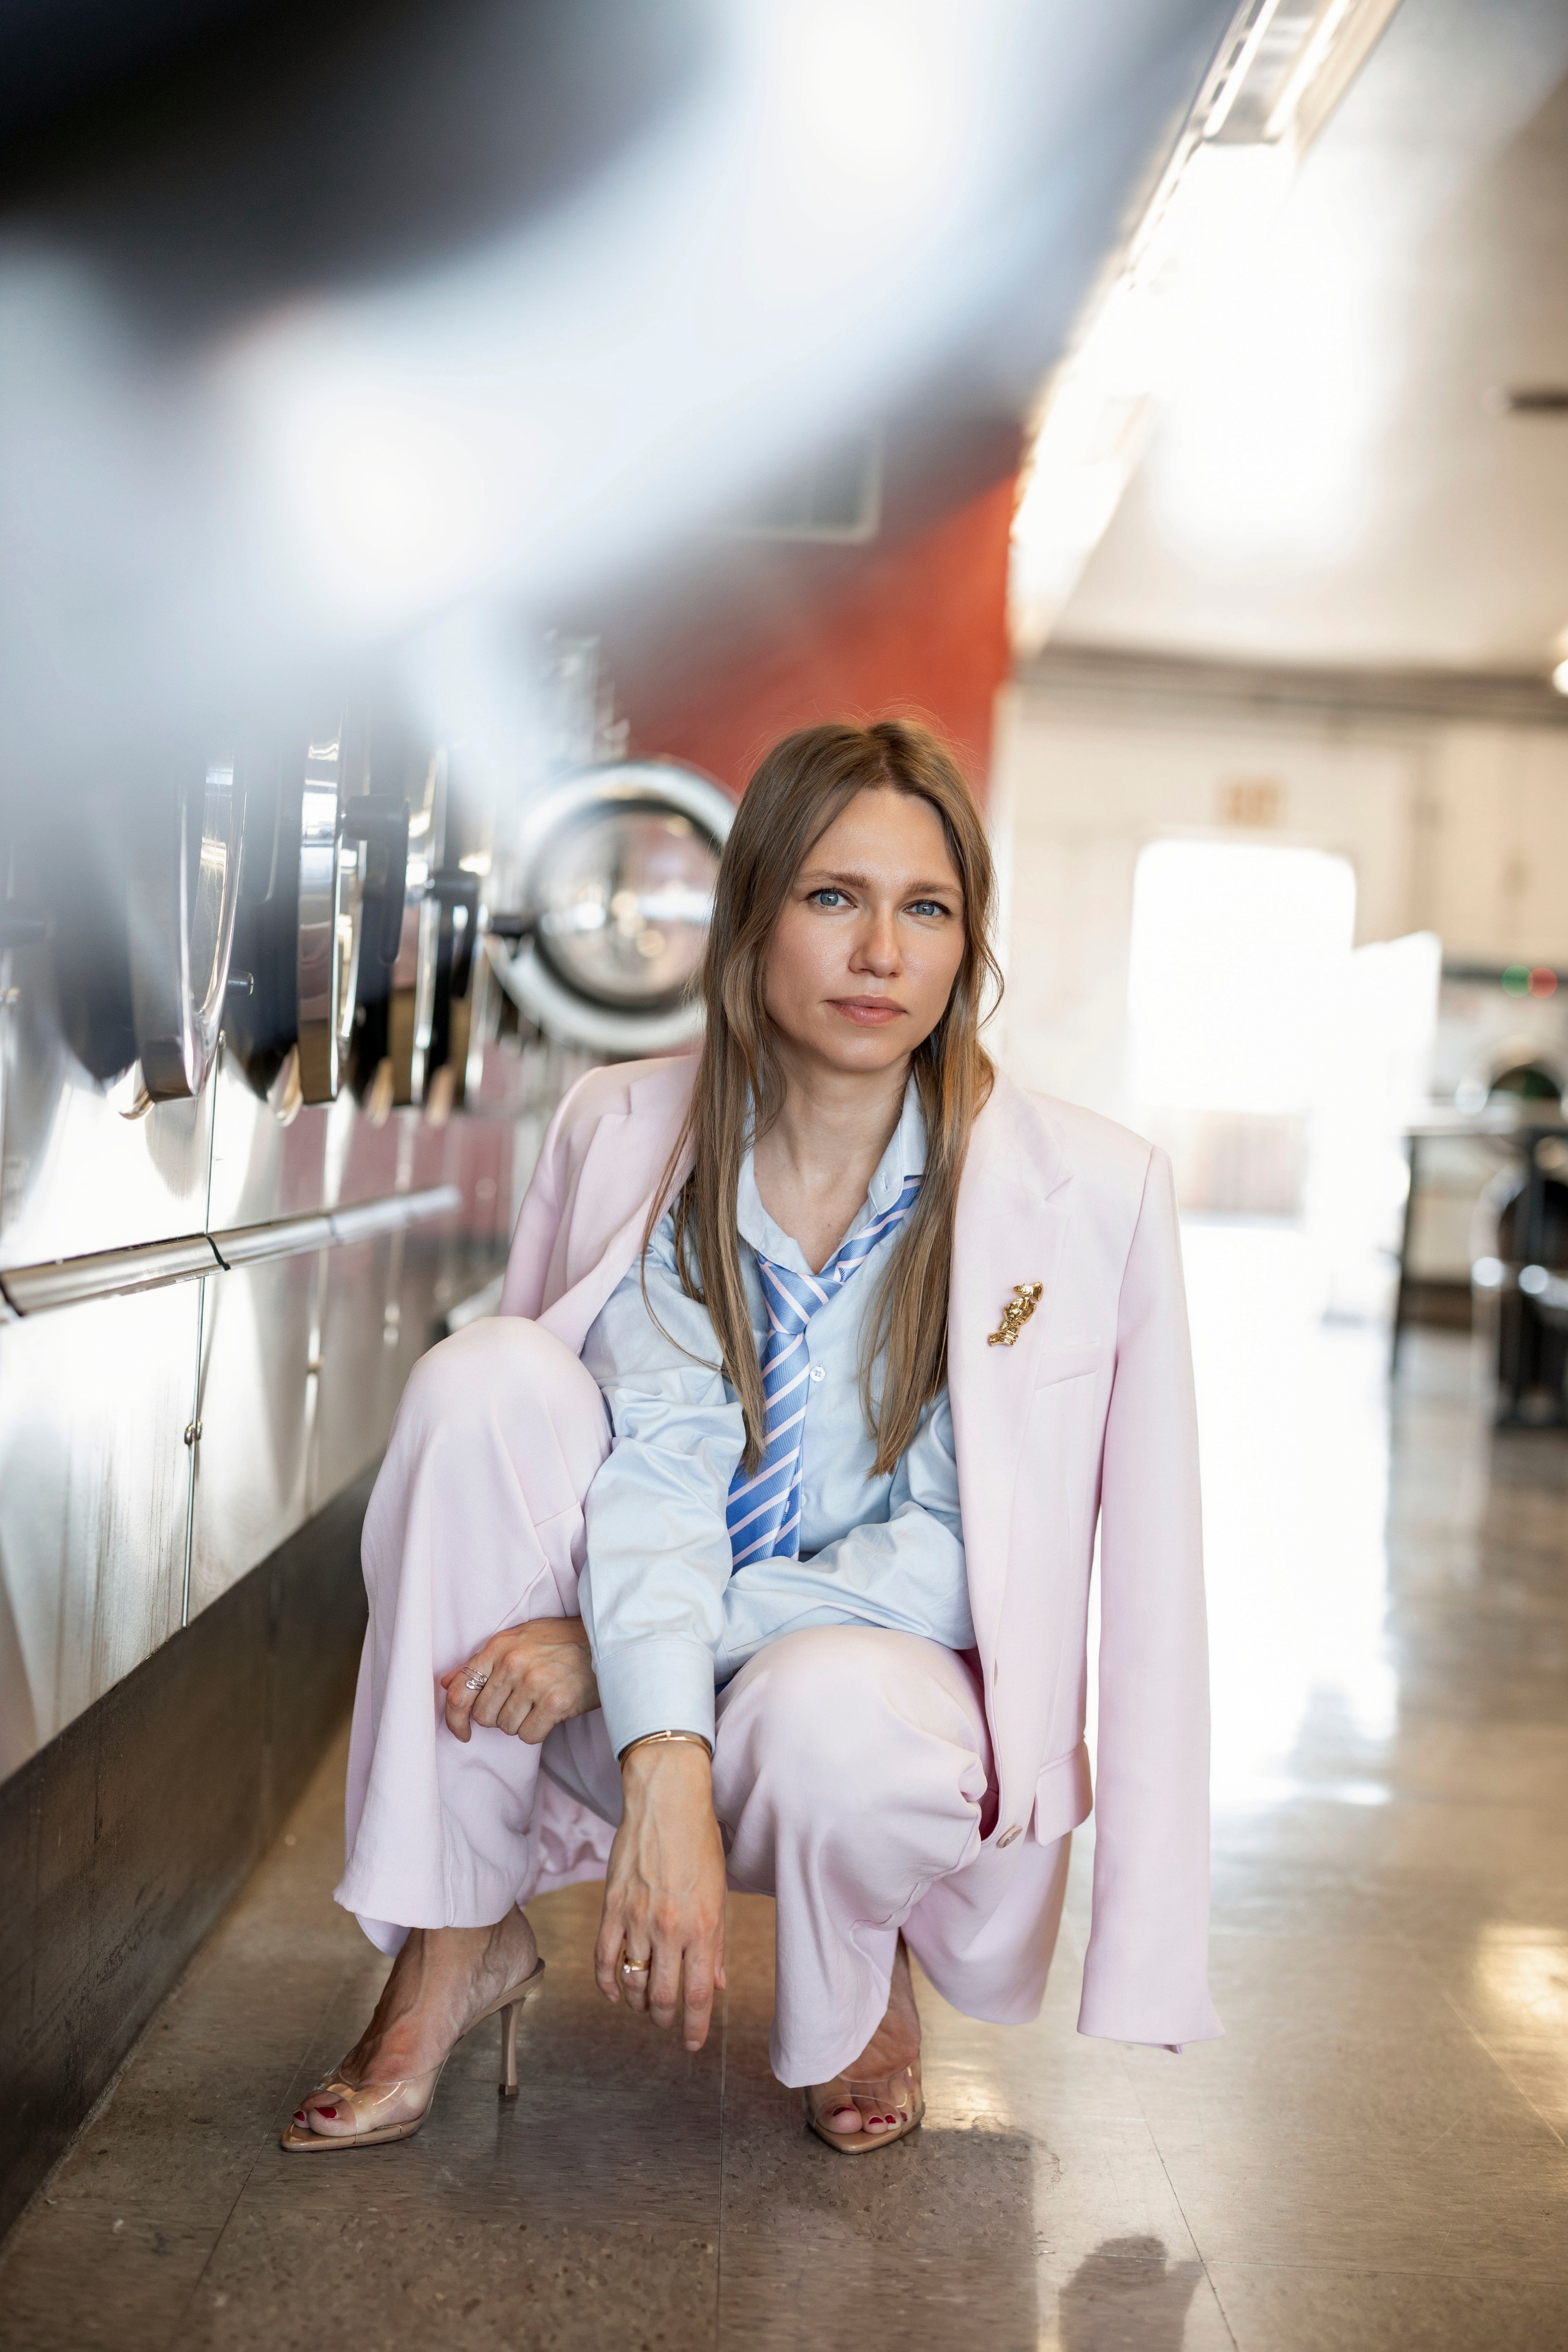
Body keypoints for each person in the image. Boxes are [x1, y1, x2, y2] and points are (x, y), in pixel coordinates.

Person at [281, 718, 1221, 2160]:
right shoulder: (636, 1128)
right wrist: (657, 1736)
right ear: (753, 915)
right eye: (832, 898)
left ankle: (867, 1967)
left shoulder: (1085, 1192)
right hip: (613, 1683)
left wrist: (622, 1653)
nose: (879, 954)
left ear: (966, 945)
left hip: (871, 1701)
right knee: (485, 1383)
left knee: (839, 1710)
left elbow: (970, 1556)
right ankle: (452, 1934)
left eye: (926, 909)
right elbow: (647, 1459)